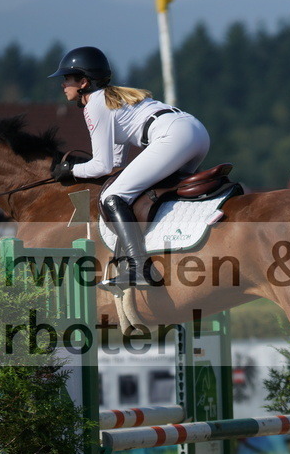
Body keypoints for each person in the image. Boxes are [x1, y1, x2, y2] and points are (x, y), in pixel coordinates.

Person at [48, 46, 211, 288]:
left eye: (67, 79)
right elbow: (114, 164)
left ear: (83, 82)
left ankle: (139, 267)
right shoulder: (111, 99)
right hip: (196, 132)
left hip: (173, 136)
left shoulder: (95, 104)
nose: (63, 85)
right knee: (152, 193)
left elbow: (102, 166)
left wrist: (70, 170)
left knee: (113, 196)